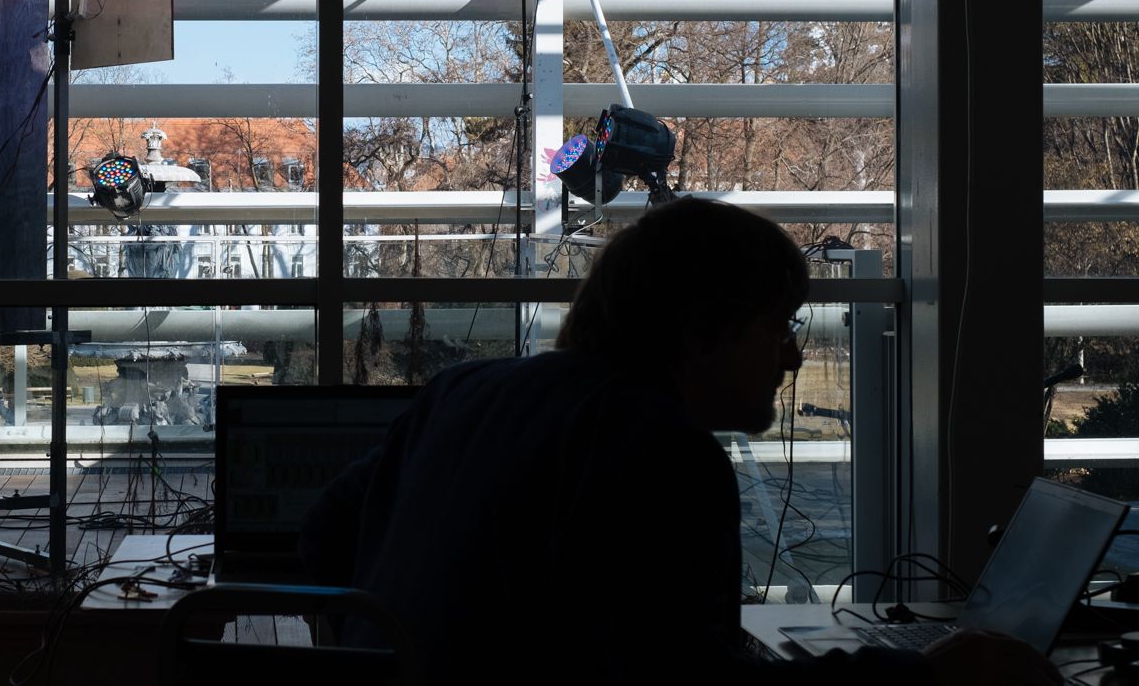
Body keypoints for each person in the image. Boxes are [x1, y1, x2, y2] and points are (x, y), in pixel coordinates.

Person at [299, 198, 1060, 685]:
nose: (793, 356)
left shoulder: (463, 391)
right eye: (776, 328)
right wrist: (928, 676)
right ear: (699, 333)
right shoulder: (661, 455)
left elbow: (324, 531)